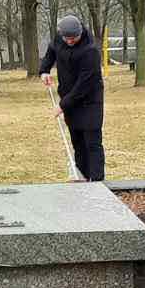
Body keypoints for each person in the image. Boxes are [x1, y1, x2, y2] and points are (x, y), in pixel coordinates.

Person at [39, 14, 105, 181]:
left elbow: (84, 85)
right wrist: (44, 70)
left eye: (73, 38)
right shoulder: (60, 37)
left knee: (92, 142)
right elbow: (51, 51)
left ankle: (97, 183)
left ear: (80, 33)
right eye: (66, 38)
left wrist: (62, 105)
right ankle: (82, 178)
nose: (69, 41)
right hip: (68, 97)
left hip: (89, 100)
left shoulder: (90, 51)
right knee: (77, 142)